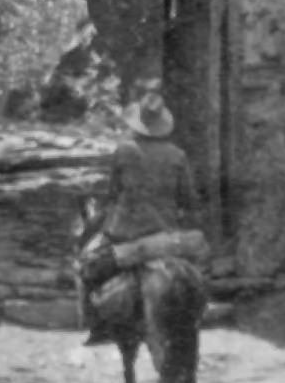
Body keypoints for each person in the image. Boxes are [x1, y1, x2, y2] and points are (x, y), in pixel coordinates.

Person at [80, 87, 199, 343]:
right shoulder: (178, 156)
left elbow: (113, 193)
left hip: (125, 234)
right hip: (165, 235)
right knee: (196, 271)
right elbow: (188, 200)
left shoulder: (123, 151)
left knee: (88, 265)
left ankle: (96, 325)